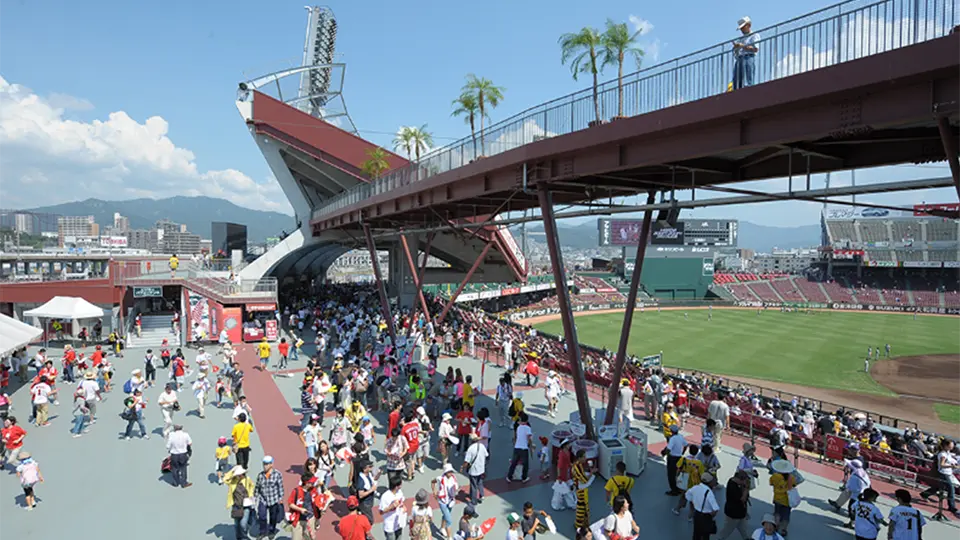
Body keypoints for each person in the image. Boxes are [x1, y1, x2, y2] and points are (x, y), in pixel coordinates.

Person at [919, 438, 958, 514]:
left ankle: (925, 494)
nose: (952, 446)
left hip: (948, 473)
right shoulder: (942, 454)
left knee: (940, 487)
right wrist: (951, 466)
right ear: (946, 446)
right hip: (943, 473)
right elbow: (942, 465)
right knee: (951, 489)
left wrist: (954, 463)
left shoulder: (948, 453)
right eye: (951, 445)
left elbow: (949, 461)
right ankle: (951, 507)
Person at [255, 455, 285, 538]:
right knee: (262, 516)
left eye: (267, 464)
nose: (265, 466)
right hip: (263, 499)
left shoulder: (277, 474)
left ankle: (272, 530)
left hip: (273, 499)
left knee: (273, 517)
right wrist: (255, 497)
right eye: (264, 464)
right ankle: (262, 531)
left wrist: (280, 498)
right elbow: (257, 487)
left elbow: (280, 487)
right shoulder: (260, 475)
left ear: (271, 464)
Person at [288, 473, 324, 540]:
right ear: (306, 483)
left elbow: (316, 501)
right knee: (296, 538)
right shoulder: (296, 491)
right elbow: (290, 504)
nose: (313, 483)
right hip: (298, 519)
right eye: (312, 482)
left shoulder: (313, 490)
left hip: (310, 518)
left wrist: (320, 507)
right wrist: (300, 509)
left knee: (310, 537)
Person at [717, 469, 752, 540]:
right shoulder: (733, 487)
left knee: (743, 528)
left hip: (741, 513)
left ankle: (746, 538)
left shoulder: (734, 481)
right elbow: (743, 499)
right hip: (734, 514)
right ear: (739, 479)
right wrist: (746, 488)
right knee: (727, 530)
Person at [224, 465, 255, 539]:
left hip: (245, 505)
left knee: (243, 524)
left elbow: (252, 486)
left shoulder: (247, 479)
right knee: (237, 525)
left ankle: (244, 537)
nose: (238, 476)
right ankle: (239, 537)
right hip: (236, 505)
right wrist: (232, 471)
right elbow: (225, 479)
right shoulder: (233, 481)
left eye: (239, 474)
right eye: (237, 474)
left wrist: (250, 494)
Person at [687, 472, 720, 540]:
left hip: (697, 514)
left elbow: (688, 495)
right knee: (705, 535)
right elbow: (715, 508)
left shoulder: (695, 488)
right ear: (709, 482)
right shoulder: (709, 492)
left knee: (696, 533)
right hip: (706, 516)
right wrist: (712, 515)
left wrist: (694, 503)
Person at [769, 460, 797, 536]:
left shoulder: (774, 476)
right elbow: (794, 485)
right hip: (787, 500)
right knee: (786, 516)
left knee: (777, 513)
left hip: (777, 498)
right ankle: (783, 529)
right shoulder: (791, 478)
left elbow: (771, 483)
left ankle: (776, 526)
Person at [433, 463, 460, 540]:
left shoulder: (453, 478)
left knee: (445, 516)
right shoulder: (440, 478)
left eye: (451, 471)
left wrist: (457, 490)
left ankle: (442, 528)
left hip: (450, 501)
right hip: (442, 501)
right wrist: (434, 491)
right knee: (449, 521)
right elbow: (432, 482)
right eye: (449, 472)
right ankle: (449, 537)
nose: (451, 473)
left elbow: (456, 488)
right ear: (445, 472)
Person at [733, 16, 760, 89]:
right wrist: (736, 48)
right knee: (737, 80)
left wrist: (742, 46)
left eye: (743, 27)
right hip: (739, 59)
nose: (741, 29)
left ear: (748, 25)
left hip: (749, 57)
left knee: (748, 79)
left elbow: (755, 49)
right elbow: (737, 51)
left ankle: (748, 90)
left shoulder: (754, 35)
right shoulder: (741, 38)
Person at [462, 432, 489, 505]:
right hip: (481, 468)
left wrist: (462, 467)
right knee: (480, 482)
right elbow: (486, 455)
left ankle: (473, 500)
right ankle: (482, 495)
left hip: (473, 469)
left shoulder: (470, 449)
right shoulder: (482, 446)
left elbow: (467, 461)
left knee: (473, 485)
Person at [506, 412, 534, 483]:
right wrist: (531, 446)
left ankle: (509, 476)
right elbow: (529, 438)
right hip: (524, 448)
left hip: (517, 447)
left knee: (514, 463)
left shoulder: (518, 428)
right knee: (525, 464)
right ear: (527, 421)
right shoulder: (527, 428)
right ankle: (524, 478)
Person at [379, 476, 406, 540]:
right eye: (400, 484)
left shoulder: (399, 492)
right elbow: (381, 512)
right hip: (390, 526)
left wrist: (403, 507)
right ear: (396, 486)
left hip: (399, 522)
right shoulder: (385, 496)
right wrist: (391, 507)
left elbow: (402, 502)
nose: (402, 485)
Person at [166, 424, 193, 488]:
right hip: (183, 454)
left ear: (175, 429)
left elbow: (167, 446)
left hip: (174, 455)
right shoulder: (185, 435)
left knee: (174, 469)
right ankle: (184, 483)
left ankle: (176, 483)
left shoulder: (171, 435)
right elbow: (190, 443)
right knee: (183, 469)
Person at [572, 449, 593, 530]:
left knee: (583, 507)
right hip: (581, 491)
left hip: (582, 489)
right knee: (582, 508)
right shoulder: (576, 467)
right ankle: (579, 525)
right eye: (584, 457)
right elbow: (584, 479)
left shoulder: (579, 465)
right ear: (579, 457)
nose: (585, 458)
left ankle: (583, 524)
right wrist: (591, 473)